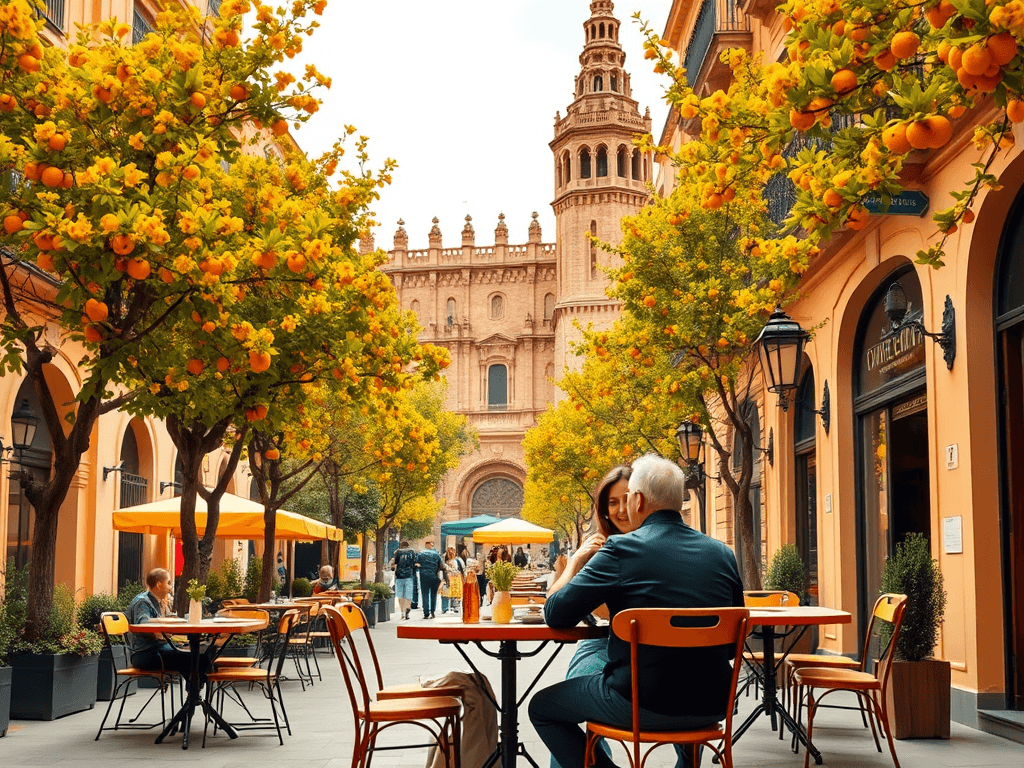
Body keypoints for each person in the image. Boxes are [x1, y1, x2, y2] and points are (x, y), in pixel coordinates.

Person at [529, 454, 744, 768]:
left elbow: (556, 614)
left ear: (638, 500)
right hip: (713, 703)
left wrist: (575, 562)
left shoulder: (621, 549)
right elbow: (731, 645)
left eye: (627, 497)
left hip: (640, 703)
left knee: (542, 708)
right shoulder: (723, 554)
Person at [548, 464, 632, 768]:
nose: (621, 510)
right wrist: (575, 561)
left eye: (627, 500)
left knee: (552, 707)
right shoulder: (601, 550)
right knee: (575, 695)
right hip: (606, 642)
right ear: (603, 509)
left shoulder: (640, 548)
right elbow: (554, 605)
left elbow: (557, 609)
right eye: (612, 502)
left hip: (645, 655)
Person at [125, 568, 212, 679]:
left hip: (157, 648)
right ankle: (194, 688)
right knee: (197, 658)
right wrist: (164, 622)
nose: (170, 587)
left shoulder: (156, 601)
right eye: (168, 583)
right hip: (144, 654)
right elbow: (143, 624)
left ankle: (194, 686)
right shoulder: (143, 601)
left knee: (200, 654)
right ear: (159, 584)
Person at [415, 540, 447, 619]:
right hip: (434, 575)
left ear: (425, 545)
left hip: (424, 576)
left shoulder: (420, 553)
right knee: (433, 594)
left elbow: (416, 563)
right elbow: (442, 565)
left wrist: (420, 567)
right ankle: (432, 611)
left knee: (425, 594)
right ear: (431, 545)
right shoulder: (436, 554)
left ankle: (426, 613)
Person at [392, 540, 418, 619]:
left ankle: (402, 613)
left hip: (399, 576)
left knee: (400, 595)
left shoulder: (397, 552)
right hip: (409, 576)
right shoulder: (412, 552)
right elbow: (415, 564)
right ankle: (407, 610)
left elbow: (394, 563)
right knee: (408, 595)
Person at [440, 547, 465, 614]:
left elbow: (463, 569)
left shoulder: (458, 560)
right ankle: (445, 608)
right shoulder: (444, 560)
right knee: (446, 592)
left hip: (456, 578)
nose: (451, 554)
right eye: (449, 552)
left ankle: (455, 607)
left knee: (455, 593)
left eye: (452, 552)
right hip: (448, 578)